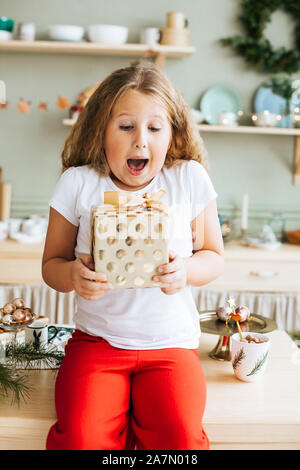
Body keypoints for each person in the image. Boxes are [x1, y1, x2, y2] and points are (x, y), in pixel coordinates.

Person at [43, 63, 224, 451]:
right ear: (100, 130)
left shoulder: (188, 179)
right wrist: (73, 274)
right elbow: (51, 266)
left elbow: (213, 256)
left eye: (154, 128)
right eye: (126, 127)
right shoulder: (78, 183)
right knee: (80, 438)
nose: (141, 141)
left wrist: (186, 270)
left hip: (172, 348)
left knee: (180, 440)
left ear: (172, 132)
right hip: (98, 344)